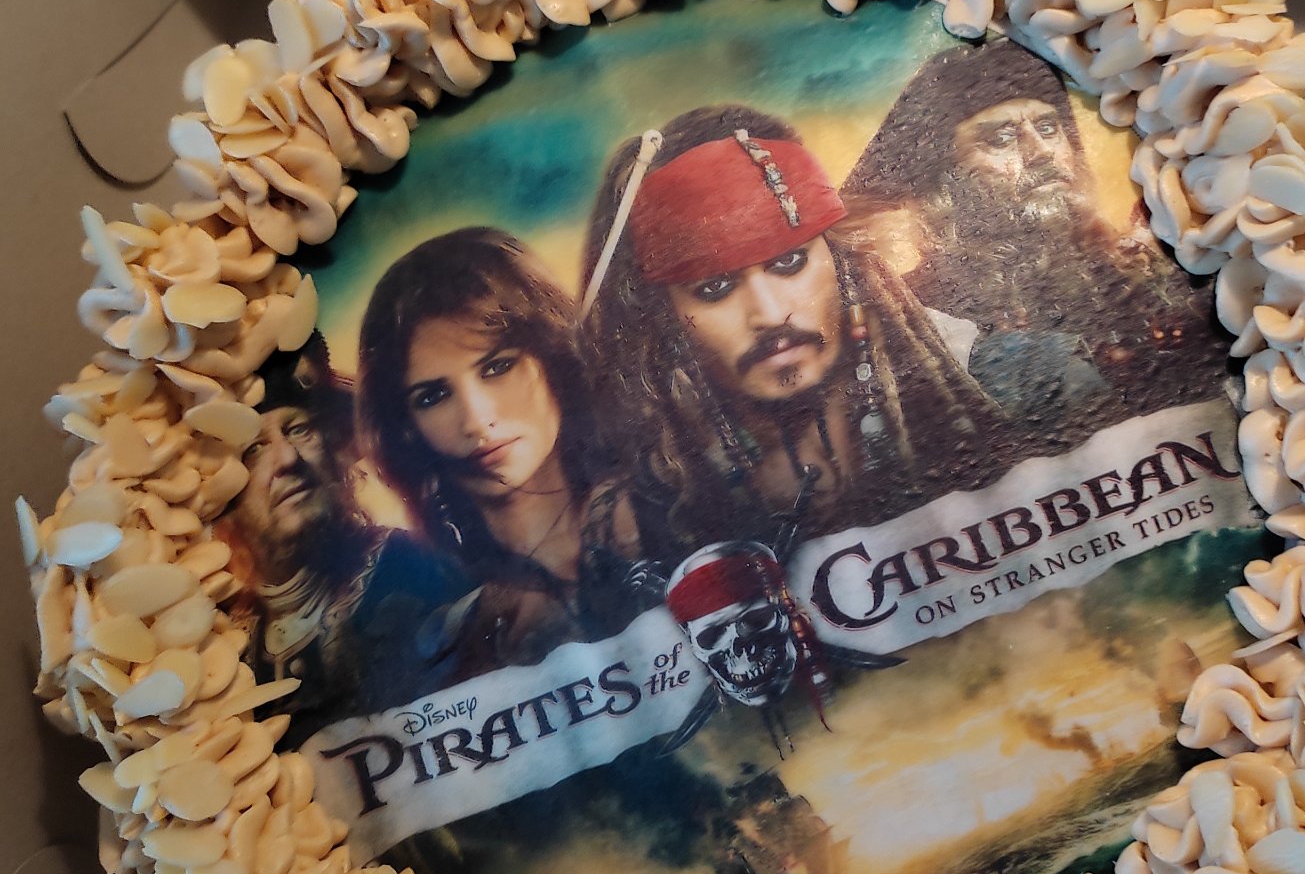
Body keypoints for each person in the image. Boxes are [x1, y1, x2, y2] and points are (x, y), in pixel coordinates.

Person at [579, 104, 1006, 565]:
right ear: (665, 319)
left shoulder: (1010, 383)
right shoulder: (647, 512)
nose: (769, 314)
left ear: (842, 263)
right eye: (714, 288)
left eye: (788, 262)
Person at [843, 38, 1227, 438]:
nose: (1041, 152)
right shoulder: (917, 315)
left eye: (1048, 128)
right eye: (1002, 139)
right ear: (943, 182)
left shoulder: (1140, 269)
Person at [356, 227, 640, 669]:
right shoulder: (434, 616)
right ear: (406, 428)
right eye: (433, 396)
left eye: (497, 367)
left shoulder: (666, 507)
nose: (476, 420)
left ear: (554, 357)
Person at [219, 333, 471, 746]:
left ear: (335, 449)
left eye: (298, 429)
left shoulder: (417, 566)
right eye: (254, 449)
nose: (287, 458)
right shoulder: (223, 645)